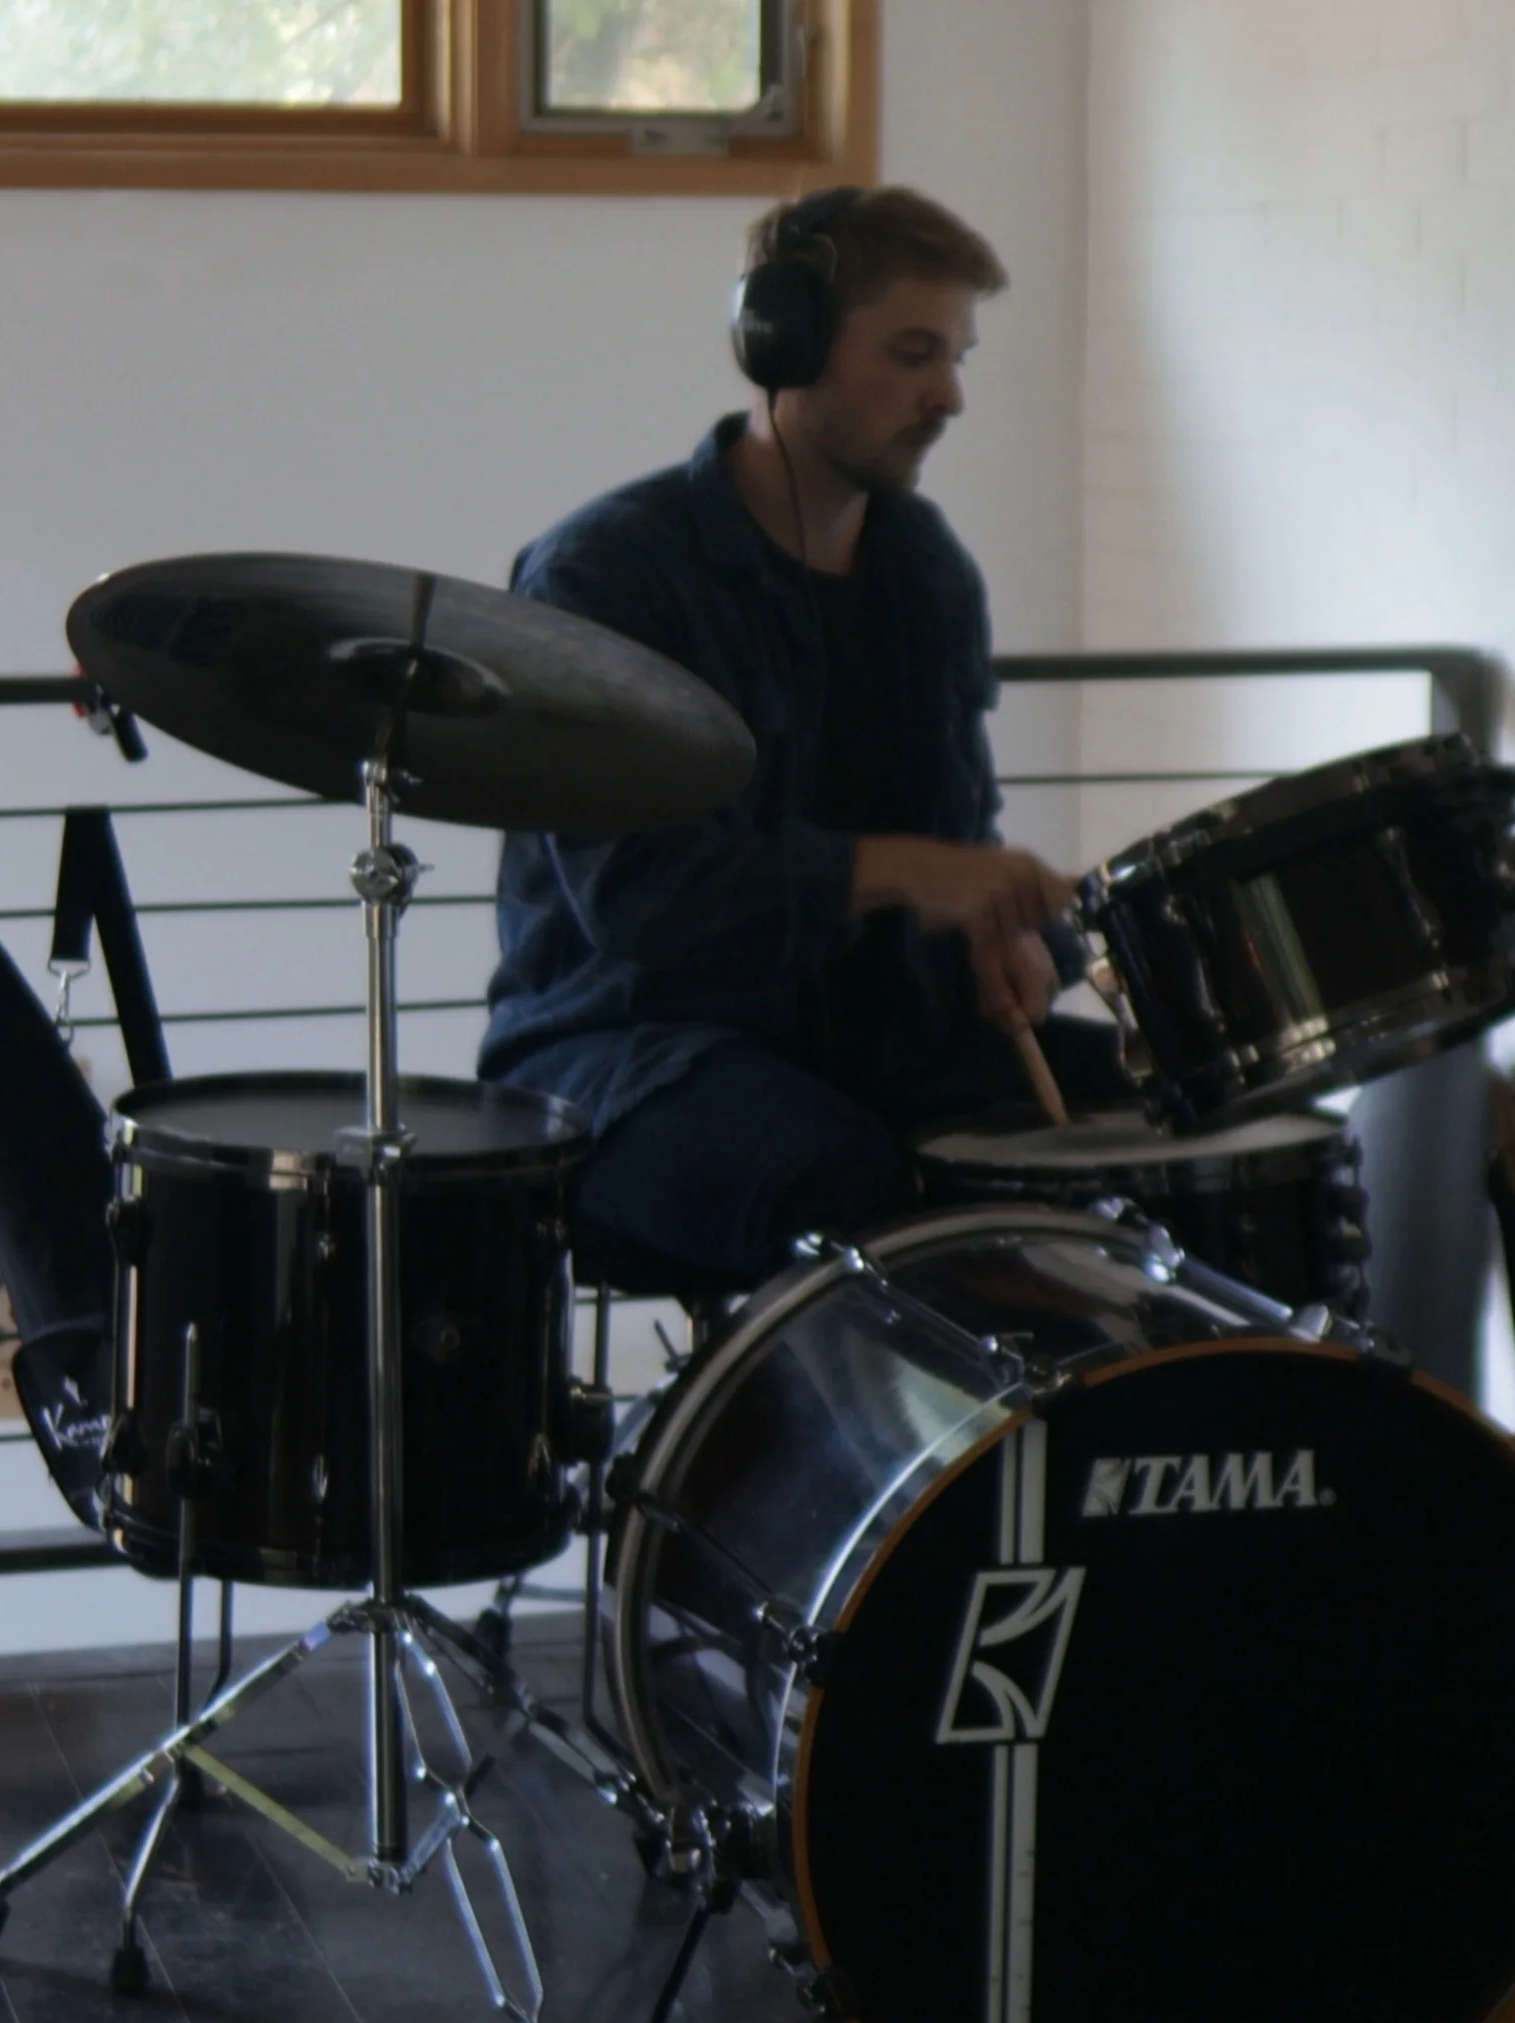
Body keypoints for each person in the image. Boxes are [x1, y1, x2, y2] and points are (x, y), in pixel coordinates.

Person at [482, 185, 1125, 1292]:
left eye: (959, 355)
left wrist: (1012, 942)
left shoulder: (925, 568)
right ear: (786, 345)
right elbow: (643, 903)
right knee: (839, 1179)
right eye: (915, 353)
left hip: (883, 1047)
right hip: (627, 1052)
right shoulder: (610, 573)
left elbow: (962, 843)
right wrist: (906, 872)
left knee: (1185, 1132)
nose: (951, 396)